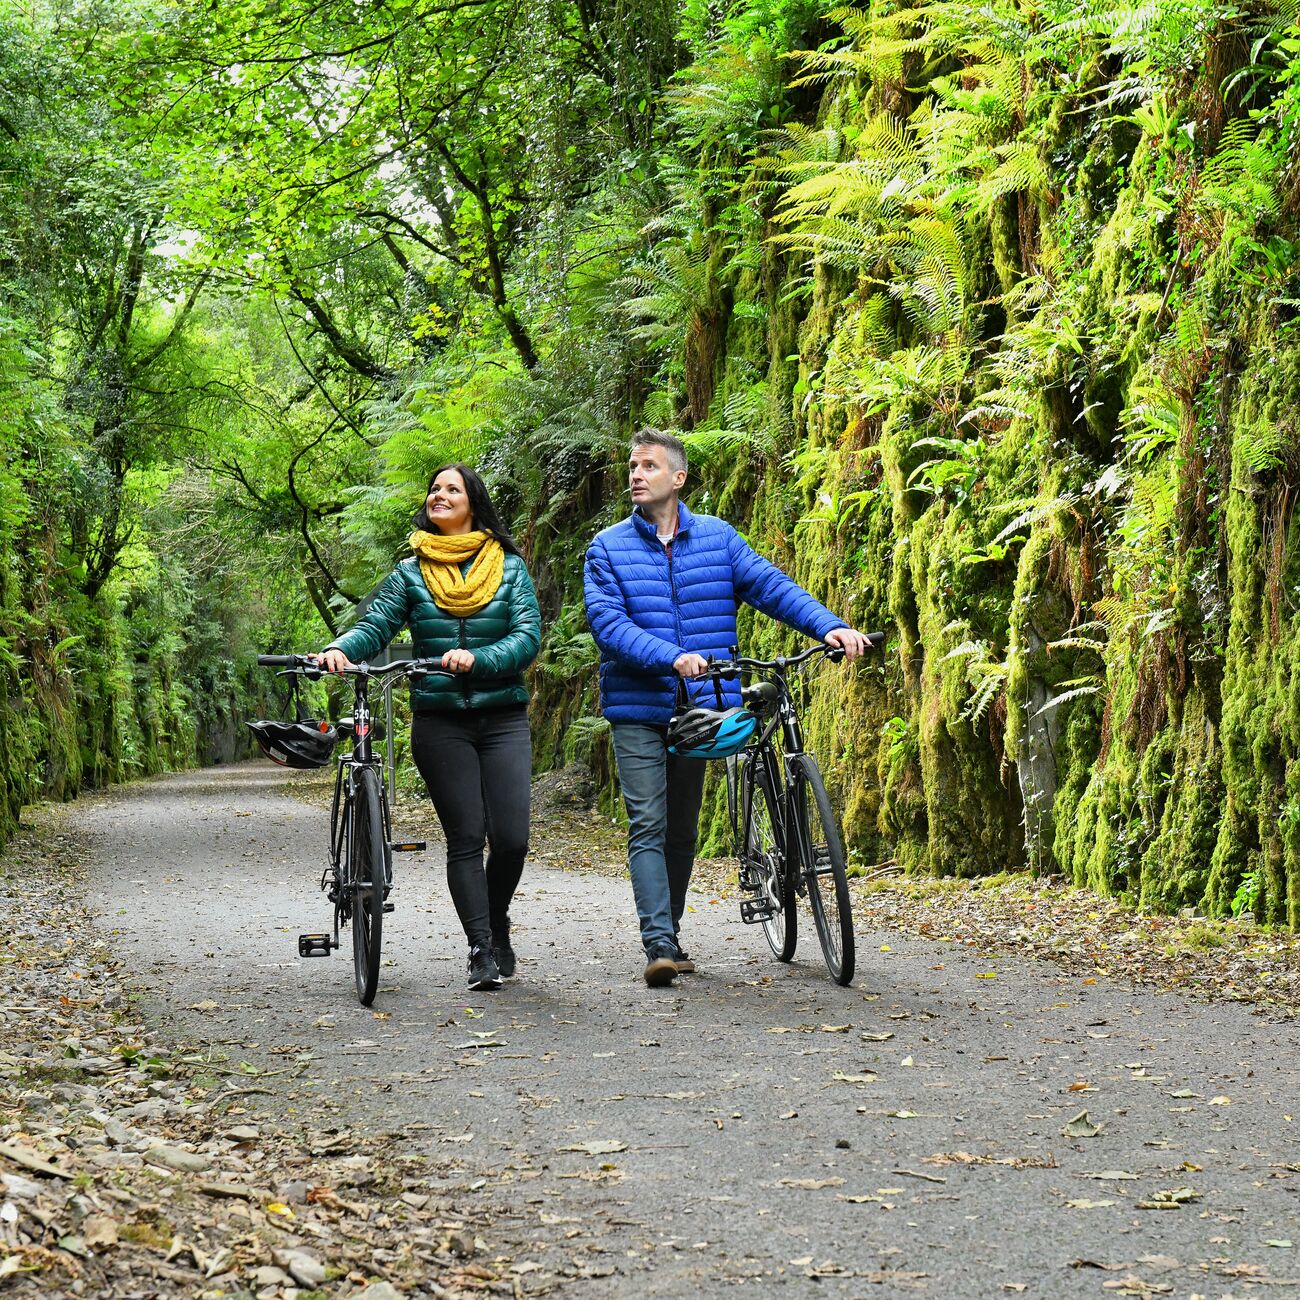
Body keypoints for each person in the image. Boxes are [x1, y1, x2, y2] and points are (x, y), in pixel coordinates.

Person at [583, 428, 871, 988]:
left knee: (682, 829)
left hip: (703, 709)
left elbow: (771, 586)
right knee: (648, 822)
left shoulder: (718, 539)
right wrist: (671, 657)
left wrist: (829, 626)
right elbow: (608, 625)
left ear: (678, 477)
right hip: (639, 707)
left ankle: (670, 929)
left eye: (648, 466)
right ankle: (659, 943)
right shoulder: (607, 547)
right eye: (633, 467)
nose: (636, 475)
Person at [316, 464, 540, 992]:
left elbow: (527, 638)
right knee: (466, 837)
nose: (439, 495)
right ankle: (481, 949)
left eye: (452, 489)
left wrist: (479, 659)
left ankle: (496, 921)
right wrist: (339, 650)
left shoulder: (509, 568)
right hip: (440, 722)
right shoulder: (410, 573)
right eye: (435, 489)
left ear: (472, 503)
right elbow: (375, 625)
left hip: (503, 718)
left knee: (512, 840)